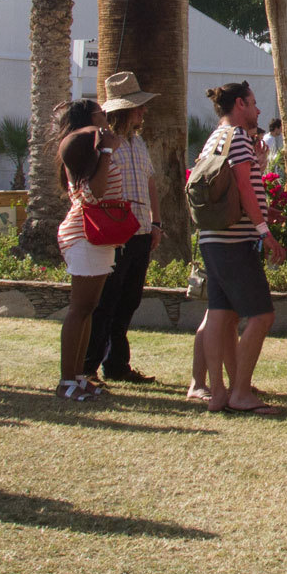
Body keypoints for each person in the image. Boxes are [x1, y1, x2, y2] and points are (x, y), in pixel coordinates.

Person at [194, 82, 283, 415]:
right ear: (240, 104)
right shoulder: (238, 137)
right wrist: (264, 231)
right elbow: (243, 184)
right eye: (254, 104)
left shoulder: (216, 137)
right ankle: (241, 392)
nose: (258, 111)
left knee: (220, 314)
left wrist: (262, 208)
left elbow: (238, 186)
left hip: (213, 237)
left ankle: (218, 392)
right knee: (262, 315)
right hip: (235, 239)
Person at [84, 72, 164, 387]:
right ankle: (89, 364)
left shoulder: (138, 142)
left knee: (128, 300)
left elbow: (150, 182)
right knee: (106, 301)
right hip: (114, 232)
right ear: (123, 110)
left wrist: (156, 223)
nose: (143, 112)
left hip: (141, 231)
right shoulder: (101, 142)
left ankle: (117, 364)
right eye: (137, 107)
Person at [54, 126, 122, 402]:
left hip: (96, 240)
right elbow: (94, 193)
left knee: (88, 309)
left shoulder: (94, 154)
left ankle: (78, 375)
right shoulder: (87, 156)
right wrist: (106, 150)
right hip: (83, 239)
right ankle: (66, 380)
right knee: (79, 309)